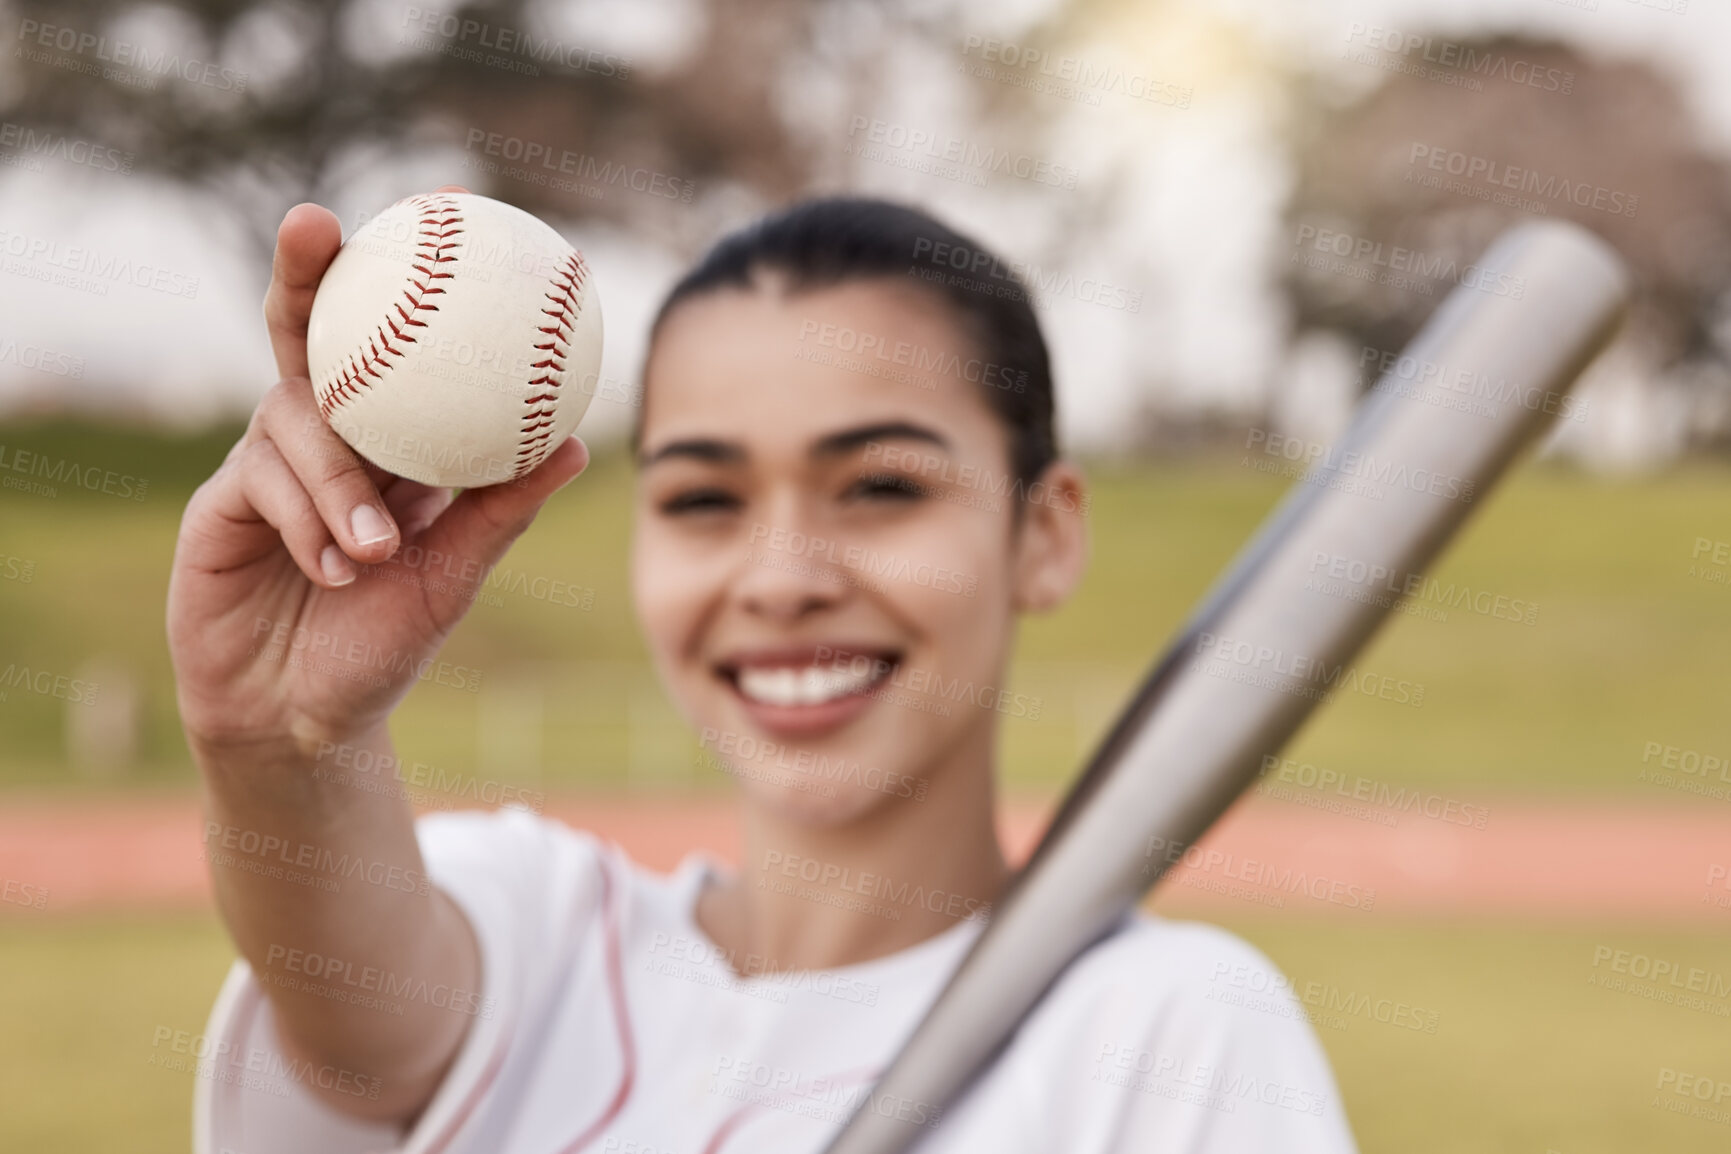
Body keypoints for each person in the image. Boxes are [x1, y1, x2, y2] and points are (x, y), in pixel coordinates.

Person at [168, 188, 1358, 1153]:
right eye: (702, 497)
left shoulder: (1167, 1033)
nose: (782, 578)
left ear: (1041, 531)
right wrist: (274, 745)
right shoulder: (537, 930)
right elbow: (358, 1032)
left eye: (883, 484)